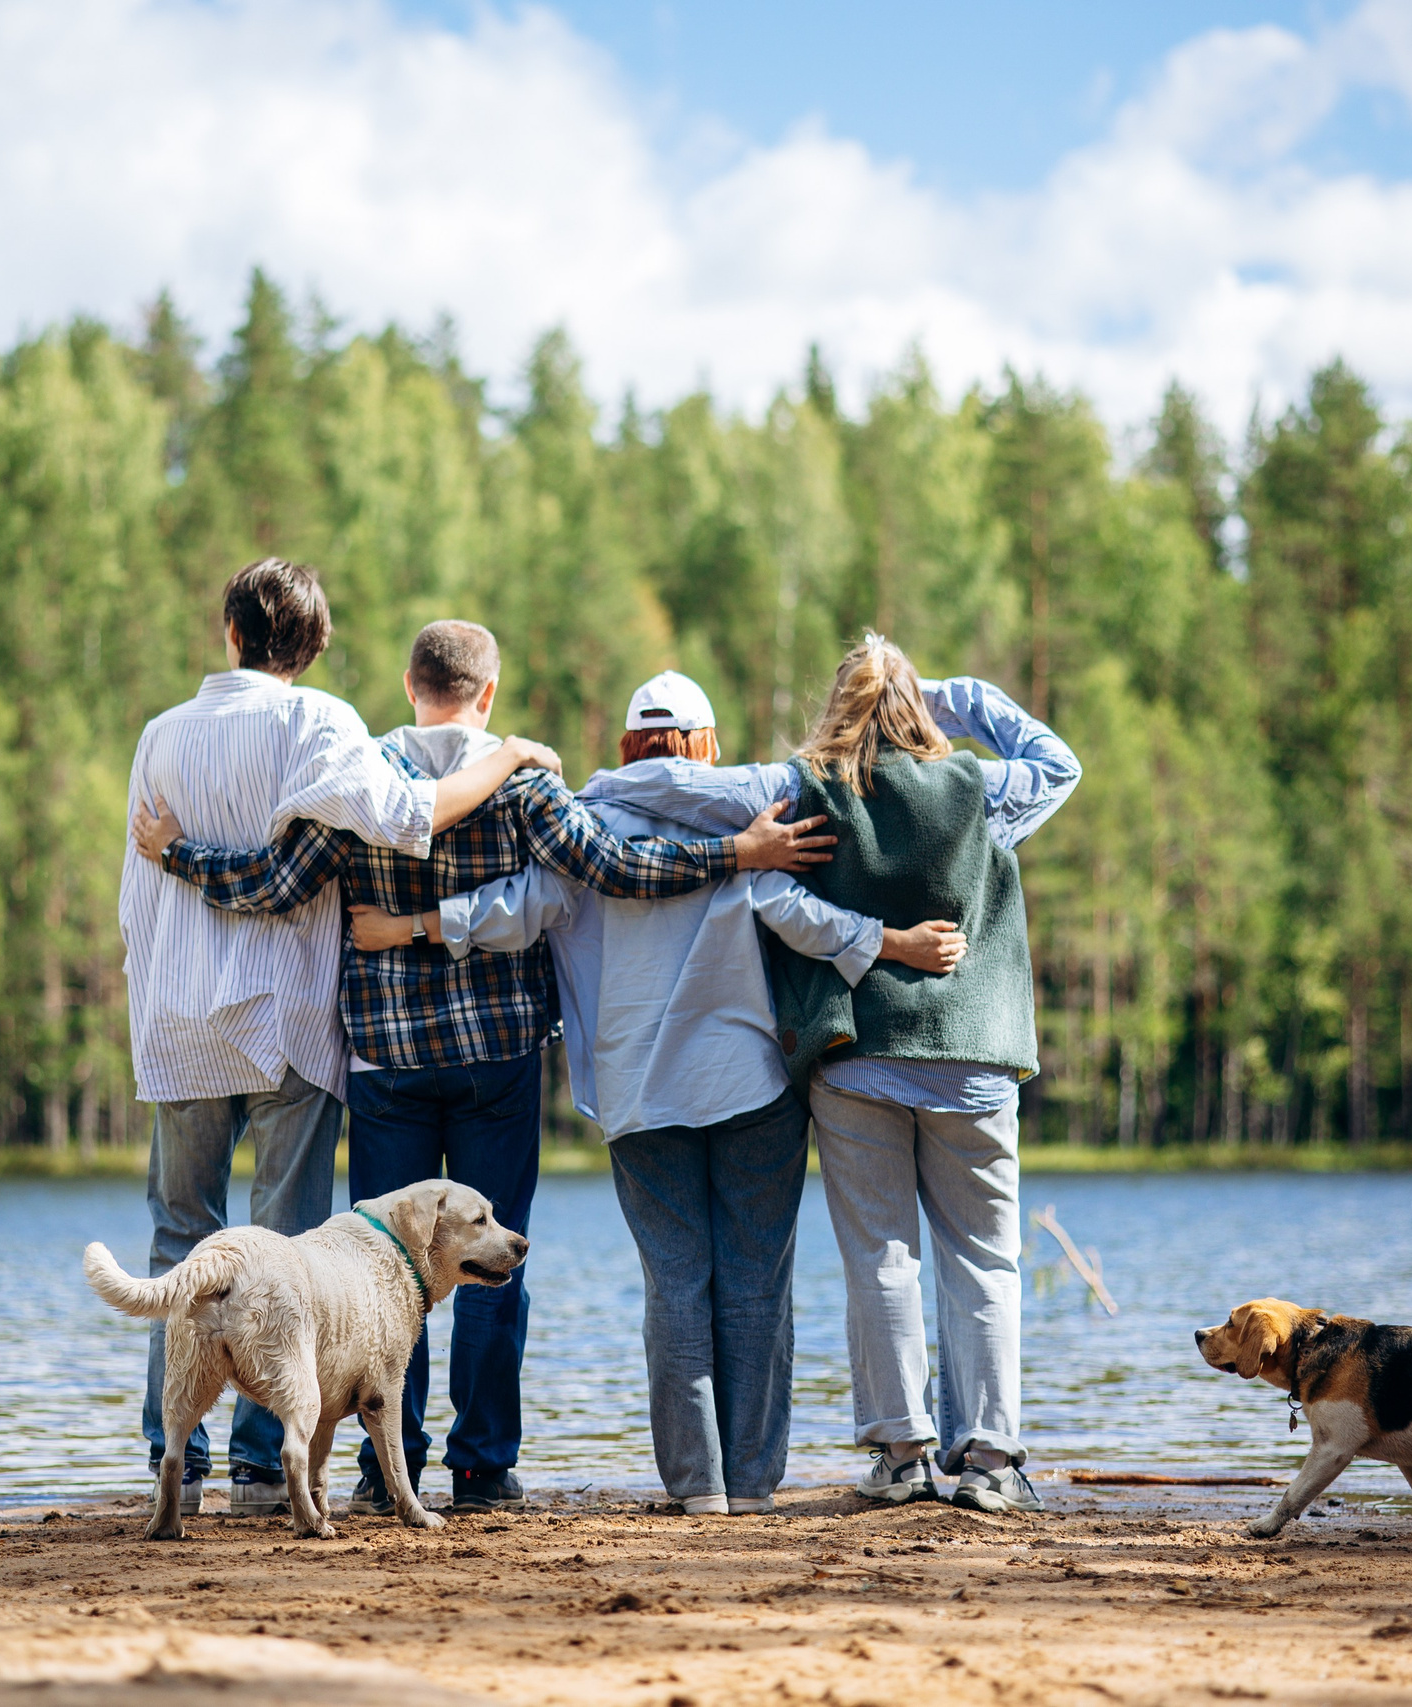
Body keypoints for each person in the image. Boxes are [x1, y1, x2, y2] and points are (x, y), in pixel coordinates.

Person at [130, 623, 829, 1516]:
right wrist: (738, 852)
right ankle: (485, 1466)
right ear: (488, 693)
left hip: (388, 1060)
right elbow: (610, 867)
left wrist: (176, 851)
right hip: (496, 1059)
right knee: (496, 1261)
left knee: (386, 1276)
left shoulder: (363, 772)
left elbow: (273, 883)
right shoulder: (525, 778)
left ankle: (392, 1469)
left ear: (409, 683)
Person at [349, 669, 966, 1516]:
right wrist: (886, 936)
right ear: (706, 743)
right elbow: (801, 891)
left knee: (675, 1283)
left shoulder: (583, 825)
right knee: (755, 1282)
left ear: (626, 746)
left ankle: (697, 1486)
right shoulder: (754, 813)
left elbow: (510, 910)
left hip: (640, 1095)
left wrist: (412, 925)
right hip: (752, 1087)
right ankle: (752, 1483)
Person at [582, 636, 1080, 1514]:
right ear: (922, 707)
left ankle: (902, 1453)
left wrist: (592, 788)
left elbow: (696, 807)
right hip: (974, 1060)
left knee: (880, 1257)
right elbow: (1058, 763)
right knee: (985, 1259)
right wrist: (955, 696)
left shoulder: (801, 788)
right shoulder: (979, 790)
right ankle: (994, 1459)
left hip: (857, 1059)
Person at [120, 562, 560, 1519]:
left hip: (180, 1014)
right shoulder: (319, 724)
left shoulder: (158, 735)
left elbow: (137, 894)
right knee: (277, 1249)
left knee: (180, 1238)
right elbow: (407, 817)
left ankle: (173, 1456)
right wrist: (512, 751)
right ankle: (259, 1464)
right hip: (284, 1017)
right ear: (313, 648)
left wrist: (149, 988)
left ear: (228, 630)